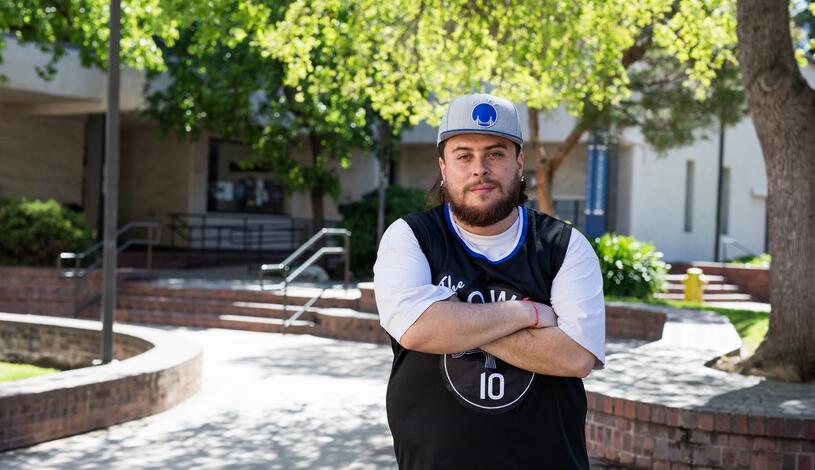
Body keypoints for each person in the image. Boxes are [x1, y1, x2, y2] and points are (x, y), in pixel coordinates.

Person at [373, 93, 606, 469]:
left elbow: (576, 356)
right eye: (463, 155)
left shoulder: (563, 246)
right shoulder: (411, 237)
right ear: (444, 167)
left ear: (518, 162)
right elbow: (418, 330)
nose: (479, 168)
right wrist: (527, 312)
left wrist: (454, 322)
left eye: (495, 153)